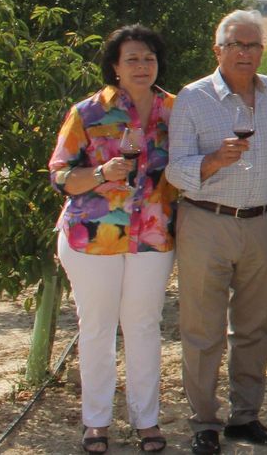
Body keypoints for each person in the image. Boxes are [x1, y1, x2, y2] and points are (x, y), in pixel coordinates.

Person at [49, 25, 177, 455]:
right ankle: (96, 423)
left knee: (143, 326)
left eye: (149, 58)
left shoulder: (174, 111)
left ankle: (147, 422)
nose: (142, 66)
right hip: (92, 238)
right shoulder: (87, 113)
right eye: (132, 59)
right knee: (98, 328)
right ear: (115, 67)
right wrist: (102, 174)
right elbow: (60, 174)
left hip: (152, 237)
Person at [166, 10, 267, 455]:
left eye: (253, 45)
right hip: (206, 222)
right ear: (217, 50)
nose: (245, 52)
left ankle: (246, 417)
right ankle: (204, 422)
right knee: (203, 328)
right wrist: (214, 161)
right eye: (236, 44)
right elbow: (175, 170)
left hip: (263, 222)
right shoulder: (193, 98)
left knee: (255, 327)